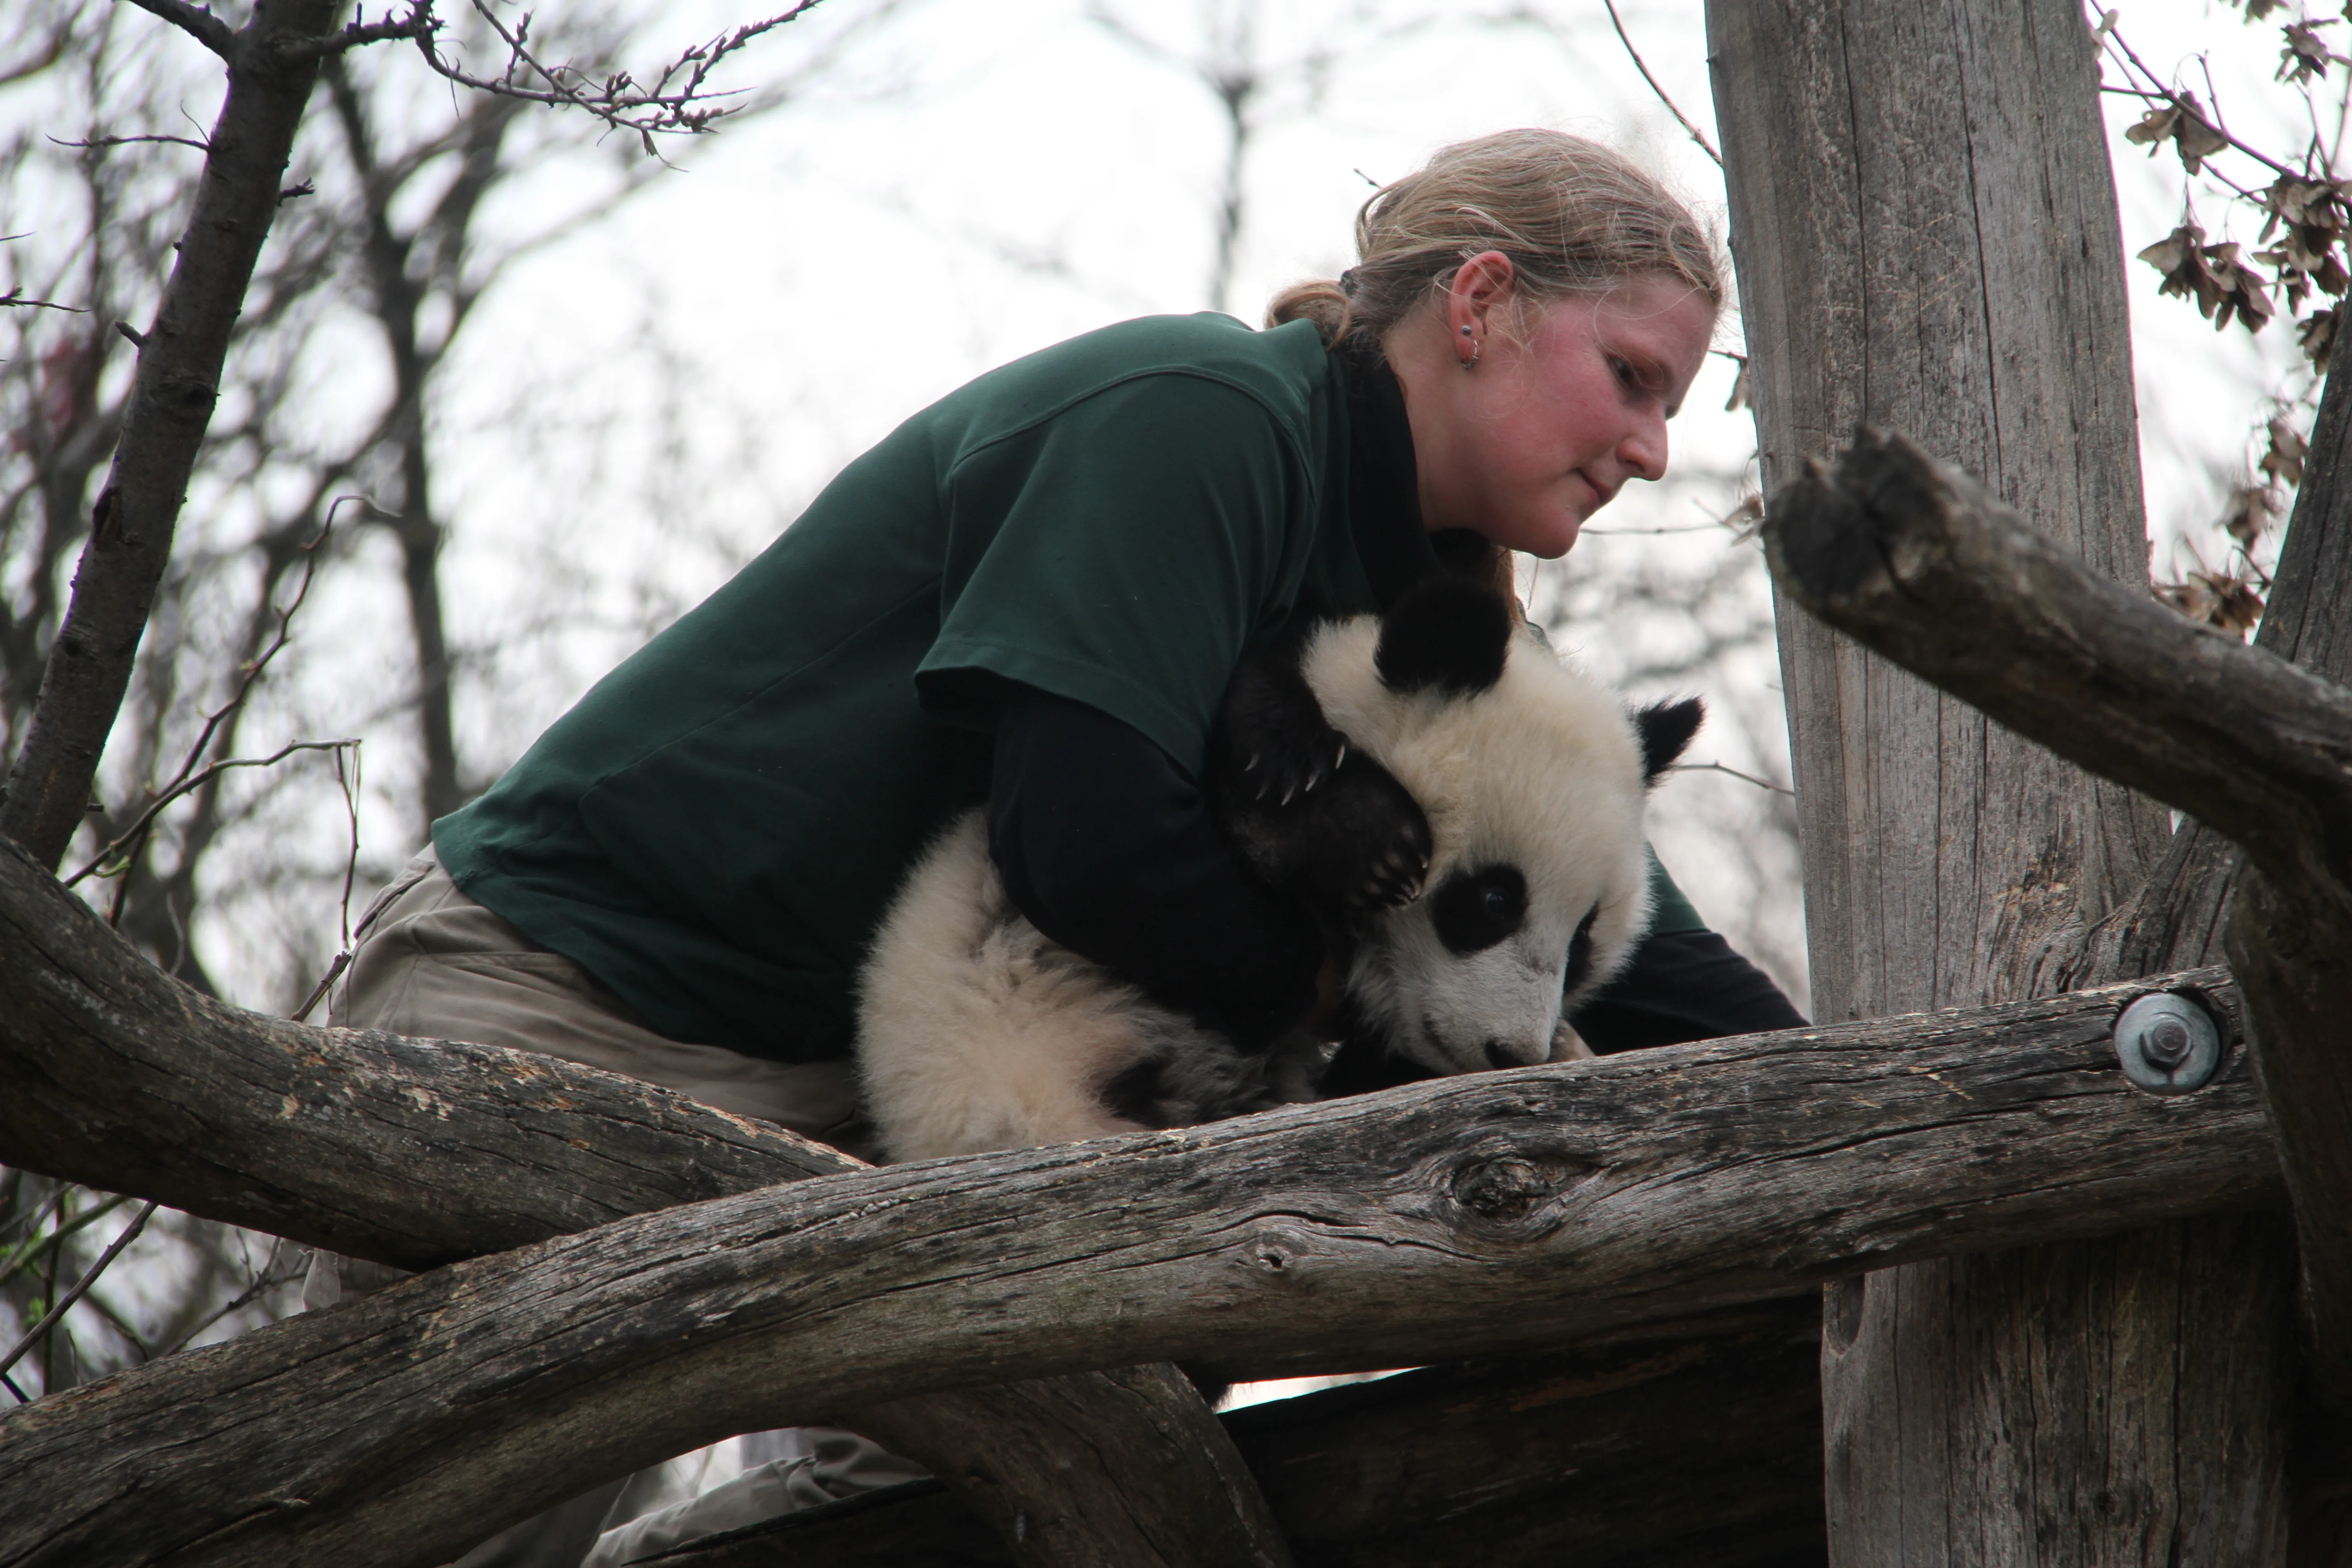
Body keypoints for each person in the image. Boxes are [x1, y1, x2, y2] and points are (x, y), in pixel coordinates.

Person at [315, 127, 1806, 1568]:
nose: (1655, 451)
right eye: (1632, 378)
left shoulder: (1431, 606)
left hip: (868, 1099)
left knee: (985, 1506)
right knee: (446, 1527)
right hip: (571, 1005)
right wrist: (1351, 996)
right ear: (1479, 302)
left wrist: (1848, 1112)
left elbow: (1630, 949)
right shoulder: (1198, 414)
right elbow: (1082, 842)